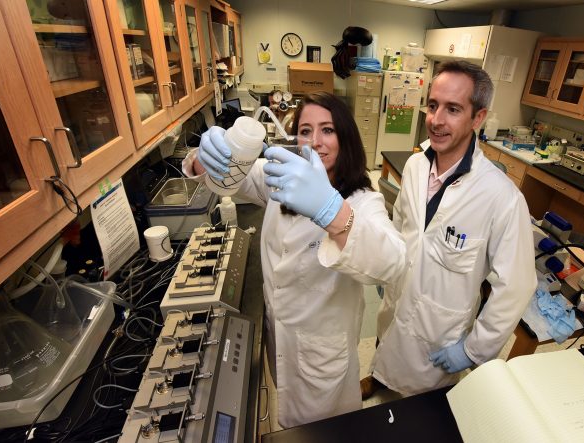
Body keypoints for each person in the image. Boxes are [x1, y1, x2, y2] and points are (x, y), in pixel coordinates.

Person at [183, 92, 406, 427]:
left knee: (329, 432)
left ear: (346, 137)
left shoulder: (363, 200)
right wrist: (205, 157)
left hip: (323, 357)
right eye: (305, 131)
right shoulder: (279, 179)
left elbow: (394, 261)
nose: (315, 142)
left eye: (327, 130)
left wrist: (330, 211)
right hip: (280, 338)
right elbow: (230, 177)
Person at [366, 60, 537, 396]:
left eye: (453, 109)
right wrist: (388, 268)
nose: (436, 120)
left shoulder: (501, 198)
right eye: (433, 105)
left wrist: (473, 349)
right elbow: (401, 223)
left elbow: (516, 286)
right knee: (384, 346)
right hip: (396, 301)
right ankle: (377, 375)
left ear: (478, 117)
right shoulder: (415, 165)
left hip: (438, 333)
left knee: (418, 409)